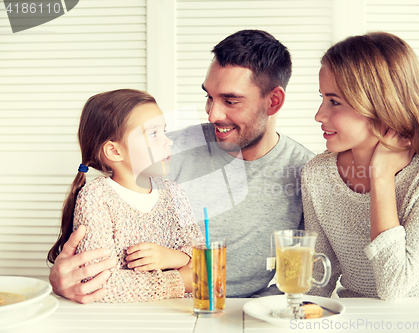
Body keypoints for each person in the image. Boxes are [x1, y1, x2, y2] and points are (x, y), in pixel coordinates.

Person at [48, 30, 315, 302]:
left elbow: (309, 275)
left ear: (274, 101)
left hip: (253, 313)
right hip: (164, 311)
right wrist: (63, 278)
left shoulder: (306, 173)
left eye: (230, 101)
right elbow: (98, 244)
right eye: (209, 97)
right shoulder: (165, 153)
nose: (213, 114)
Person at [303, 32, 419, 300]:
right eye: (322, 98)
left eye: (334, 102)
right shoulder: (317, 174)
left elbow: (394, 286)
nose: (319, 115)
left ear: (380, 105)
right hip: (356, 323)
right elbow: (317, 281)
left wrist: (381, 177)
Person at [47, 89, 202, 303]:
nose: (169, 141)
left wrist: (170, 257)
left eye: (164, 131)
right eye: (154, 134)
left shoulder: (175, 192)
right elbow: (99, 283)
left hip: (177, 314)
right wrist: (179, 280)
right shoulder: (96, 197)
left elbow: (202, 260)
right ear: (114, 151)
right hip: (119, 318)